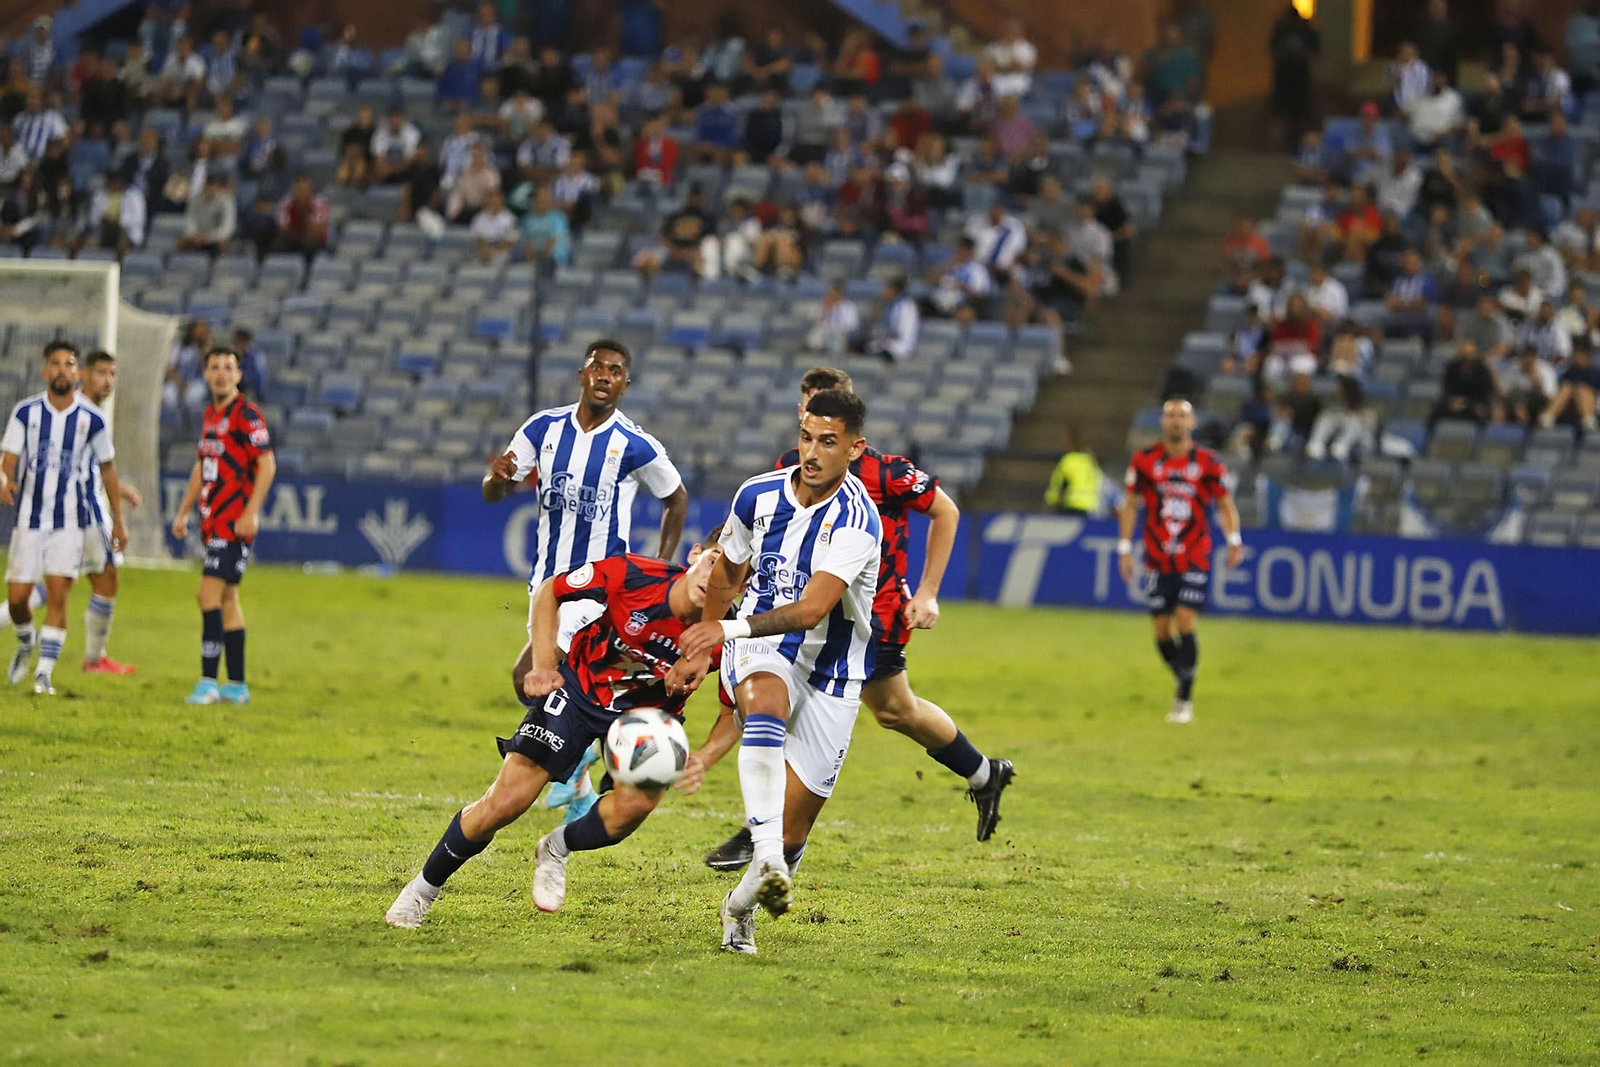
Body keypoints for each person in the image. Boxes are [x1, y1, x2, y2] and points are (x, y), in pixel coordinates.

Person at [702, 369, 1015, 877]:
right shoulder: (786, 473)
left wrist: (929, 592)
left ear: (850, 438)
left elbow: (946, 511)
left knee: (894, 711)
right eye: (806, 424)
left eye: (826, 432)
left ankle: (769, 835)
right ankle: (983, 773)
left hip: (869, 615)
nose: (813, 442)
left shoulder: (885, 473)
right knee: (817, 705)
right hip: (803, 619)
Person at [384, 536, 739, 928]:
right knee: (507, 802)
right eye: (712, 561)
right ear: (694, 554)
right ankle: (420, 891)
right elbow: (552, 589)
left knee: (630, 813)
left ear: (740, 588)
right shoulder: (634, 575)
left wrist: (703, 758)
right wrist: (541, 664)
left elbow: (735, 709)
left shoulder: (732, 637)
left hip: (646, 715)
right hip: (580, 687)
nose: (713, 577)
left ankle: (556, 848)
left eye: (729, 575)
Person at [666, 389, 884, 954]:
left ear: (855, 449)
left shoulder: (857, 520)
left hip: (833, 670)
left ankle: (738, 909)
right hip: (763, 649)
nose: (812, 453)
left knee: (793, 834)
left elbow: (813, 610)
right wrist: (703, 645)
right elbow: (728, 572)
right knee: (765, 700)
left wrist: (725, 630)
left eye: (828, 443)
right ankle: (763, 855)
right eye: (807, 437)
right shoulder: (757, 494)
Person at [481, 340, 688, 820]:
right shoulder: (542, 428)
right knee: (547, 682)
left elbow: (676, 498)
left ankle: (574, 768)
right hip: (548, 588)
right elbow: (495, 491)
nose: (604, 375)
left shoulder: (635, 444)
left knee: (533, 676)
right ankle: (586, 765)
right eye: (597, 367)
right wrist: (498, 478)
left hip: (599, 591)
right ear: (582, 374)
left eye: (615, 370)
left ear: (624, 384)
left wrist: (658, 571)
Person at [2, 342, 128, 695]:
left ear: (77, 373)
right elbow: (8, 457)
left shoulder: (94, 420)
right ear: (45, 371)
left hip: (70, 522)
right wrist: (5, 479)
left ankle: (44, 675)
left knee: (59, 596)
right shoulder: (26, 412)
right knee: (18, 599)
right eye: (55, 363)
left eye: (68, 364)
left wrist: (119, 519)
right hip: (29, 518)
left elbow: (107, 469)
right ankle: (27, 644)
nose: (61, 369)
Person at [1117, 398, 1243, 725]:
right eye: (1171, 415)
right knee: (1161, 631)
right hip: (1158, 559)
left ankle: (1183, 699)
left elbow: (1225, 504)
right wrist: (1124, 547)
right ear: (1162, 422)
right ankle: (1185, 674)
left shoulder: (1208, 462)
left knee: (1185, 618)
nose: (1176, 421)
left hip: (1194, 556)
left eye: (1182, 416)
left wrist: (1233, 540)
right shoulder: (1145, 461)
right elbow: (1130, 505)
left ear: (1192, 423)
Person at [169, 347, 277, 705]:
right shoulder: (211, 416)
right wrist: (184, 511)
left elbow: (267, 464)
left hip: (233, 523)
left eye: (228, 367)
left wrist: (251, 512)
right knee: (228, 599)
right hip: (212, 522)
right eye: (214, 367)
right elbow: (203, 467)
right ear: (205, 374)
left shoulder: (246, 414)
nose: (221, 373)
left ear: (239, 374)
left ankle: (207, 682)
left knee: (207, 595)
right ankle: (237, 685)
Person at [72, 351, 142, 675]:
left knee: (57, 581)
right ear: (84, 373)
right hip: (85, 511)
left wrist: (121, 487)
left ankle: (95, 659)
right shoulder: (87, 415)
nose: (108, 381)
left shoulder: (71, 410)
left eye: (113, 374)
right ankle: (94, 660)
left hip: (66, 509)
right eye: (101, 373)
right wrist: (120, 521)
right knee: (106, 576)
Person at [1045, 428, 1102, 515]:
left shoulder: (1068, 460)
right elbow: (1098, 479)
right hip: (1089, 505)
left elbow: (1059, 483)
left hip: (1071, 504)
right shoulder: (1089, 460)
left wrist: (1051, 500)